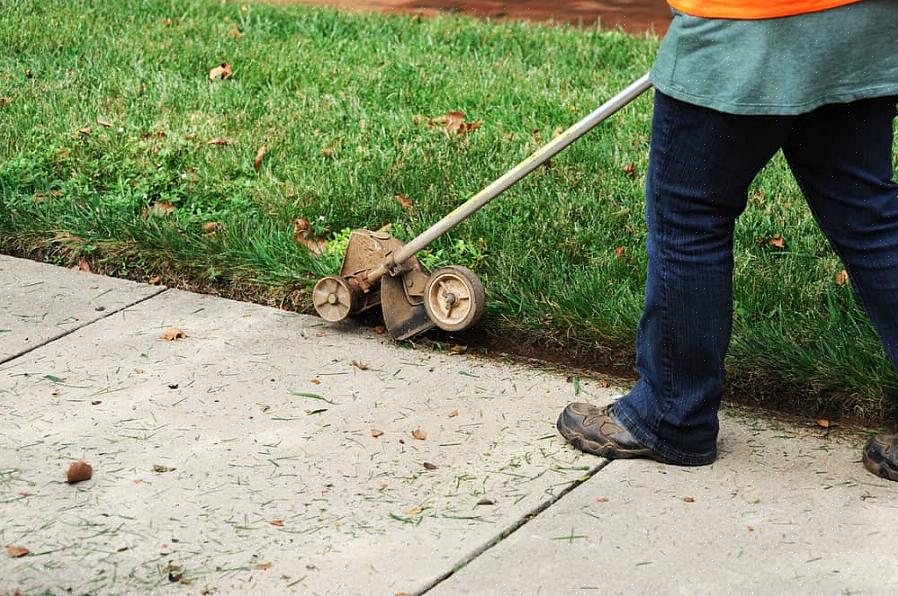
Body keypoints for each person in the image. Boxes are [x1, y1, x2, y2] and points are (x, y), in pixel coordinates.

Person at [556, 0, 898, 481]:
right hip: (862, 22)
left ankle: (671, 416)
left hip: (745, 23)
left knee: (691, 217)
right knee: (872, 221)